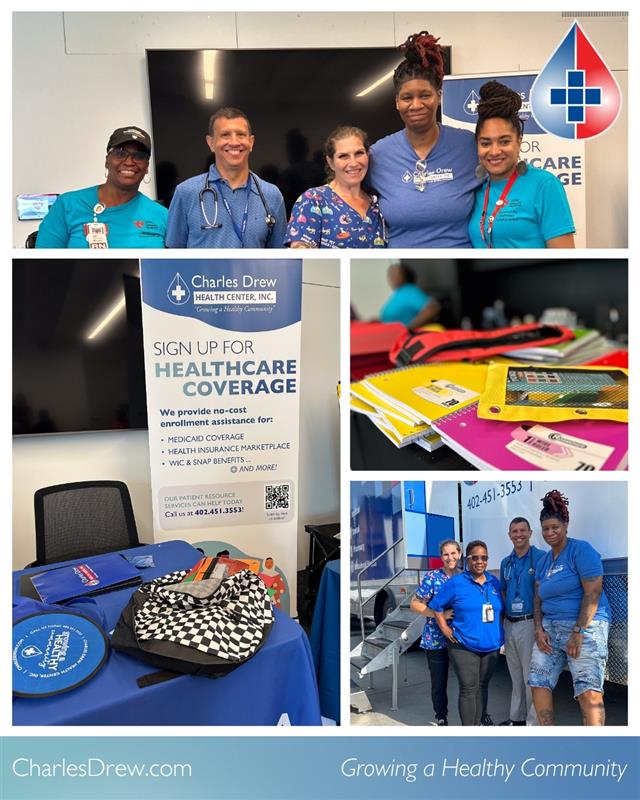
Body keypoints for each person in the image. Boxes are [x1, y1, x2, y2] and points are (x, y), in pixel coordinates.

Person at [367, 31, 479, 248]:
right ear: (397, 102)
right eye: (407, 97)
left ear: (439, 95)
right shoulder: (378, 155)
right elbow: (345, 194)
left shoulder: (468, 146)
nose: (416, 105)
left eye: (425, 95)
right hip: (400, 266)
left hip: (461, 264)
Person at [529, 490, 610, 726]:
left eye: (555, 527)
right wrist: (538, 629)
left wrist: (578, 631)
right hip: (550, 629)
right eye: (545, 529)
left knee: (588, 690)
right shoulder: (544, 562)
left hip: (585, 626)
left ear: (566, 525)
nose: (550, 533)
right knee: (538, 681)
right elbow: (537, 599)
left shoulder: (581, 550)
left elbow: (593, 592)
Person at [469, 81, 576, 249]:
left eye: (504, 141)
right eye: (485, 143)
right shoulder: (476, 189)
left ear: (519, 142)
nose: (494, 151)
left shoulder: (544, 185)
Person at [166, 107, 287, 248]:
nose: (234, 142)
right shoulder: (186, 193)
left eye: (241, 134)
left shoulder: (271, 195)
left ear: (251, 142)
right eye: (225, 135)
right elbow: (173, 254)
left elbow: (279, 256)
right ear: (211, 143)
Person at [35, 126, 167, 248]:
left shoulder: (163, 215)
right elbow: (43, 262)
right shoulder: (68, 205)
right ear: (107, 161)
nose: (129, 162)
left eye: (139, 156)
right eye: (120, 153)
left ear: (147, 167)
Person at [430, 540, 504, 726]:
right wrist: (445, 628)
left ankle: (478, 726)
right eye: (475, 557)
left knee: (483, 686)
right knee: (469, 688)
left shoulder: (494, 582)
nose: (480, 561)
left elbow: (501, 608)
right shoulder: (456, 583)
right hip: (463, 644)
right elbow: (436, 605)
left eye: (484, 558)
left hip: (491, 645)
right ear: (467, 560)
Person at [285, 126, 386, 249]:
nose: (353, 163)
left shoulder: (378, 203)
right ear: (331, 162)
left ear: (368, 155)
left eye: (359, 153)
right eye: (343, 156)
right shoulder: (313, 200)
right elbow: (300, 251)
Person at [498, 517, 545, 726]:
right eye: (514, 531)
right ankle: (516, 718)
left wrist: (539, 626)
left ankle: (533, 723)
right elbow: (504, 591)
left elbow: (543, 592)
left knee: (530, 676)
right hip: (510, 623)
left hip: (529, 623)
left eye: (522, 530)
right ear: (509, 535)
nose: (519, 535)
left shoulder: (541, 558)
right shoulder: (505, 563)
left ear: (530, 533)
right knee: (515, 675)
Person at [410, 539, 462, 726]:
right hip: (435, 639)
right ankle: (441, 716)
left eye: (453, 553)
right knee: (439, 682)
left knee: (467, 682)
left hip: (460, 638)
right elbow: (414, 604)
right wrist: (439, 615)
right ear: (441, 557)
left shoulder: (465, 576)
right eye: (446, 554)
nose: (450, 557)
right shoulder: (432, 577)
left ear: (459, 554)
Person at [379, 263, 440, 328]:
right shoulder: (398, 293)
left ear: (405, 275)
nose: (392, 277)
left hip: (407, 333)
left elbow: (432, 309)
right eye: (390, 274)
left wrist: (410, 328)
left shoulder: (410, 290)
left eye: (396, 273)